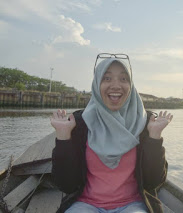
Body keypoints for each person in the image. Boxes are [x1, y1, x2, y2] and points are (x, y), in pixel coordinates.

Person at [51, 54, 173, 213]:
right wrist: (63, 138)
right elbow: (66, 185)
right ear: (96, 84)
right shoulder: (79, 123)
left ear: (131, 85)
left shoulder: (145, 123)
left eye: (123, 79)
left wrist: (155, 137)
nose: (116, 85)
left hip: (132, 205)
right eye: (107, 78)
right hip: (85, 204)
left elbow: (153, 182)